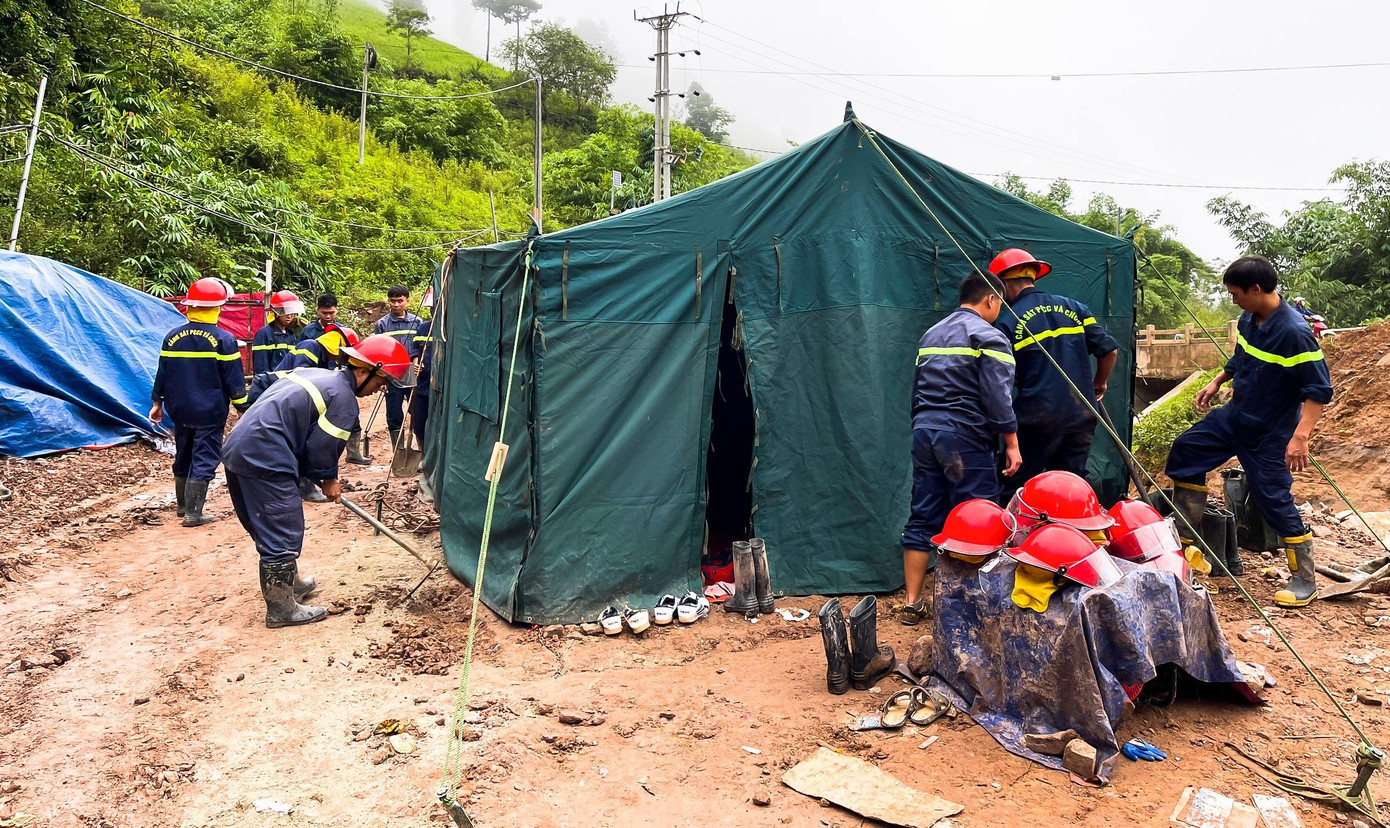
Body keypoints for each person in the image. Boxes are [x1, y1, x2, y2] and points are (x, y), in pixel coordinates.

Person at [1164, 256, 1333, 607]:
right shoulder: (1249, 317)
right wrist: (1217, 381)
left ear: (1256, 289)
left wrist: (1299, 438)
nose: (1233, 300)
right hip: (1236, 416)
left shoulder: (1295, 333)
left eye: (1236, 293)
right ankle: (1185, 536)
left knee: (1272, 497)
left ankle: (1304, 577)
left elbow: (1318, 390)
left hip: (1269, 432)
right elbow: (1242, 356)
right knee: (1187, 449)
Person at [221, 334, 413, 628]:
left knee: (267, 521)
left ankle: (288, 585)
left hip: (240, 448)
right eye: (381, 380)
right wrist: (329, 479)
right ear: (363, 370)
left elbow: (268, 386)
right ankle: (281, 610)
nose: (381, 388)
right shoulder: (343, 399)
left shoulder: (317, 374)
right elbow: (321, 448)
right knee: (282, 525)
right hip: (265, 456)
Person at [898, 271, 1022, 626]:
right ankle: (973, 606)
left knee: (922, 514)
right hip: (965, 435)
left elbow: (916, 391)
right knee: (977, 514)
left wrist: (922, 426)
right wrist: (1012, 443)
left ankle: (912, 603)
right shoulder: (989, 336)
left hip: (925, 431)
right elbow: (999, 398)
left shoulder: (930, 334)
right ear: (991, 300)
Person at [990, 248, 1118, 498]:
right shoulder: (1075, 308)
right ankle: (1069, 534)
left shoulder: (1008, 322)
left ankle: (1021, 535)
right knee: (1069, 489)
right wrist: (1099, 383)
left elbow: (1003, 379)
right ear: (1033, 277)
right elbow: (1109, 350)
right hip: (1081, 415)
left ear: (1004, 284)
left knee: (1018, 489)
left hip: (1037, 417)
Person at [149, 277, 248, 527]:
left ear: (190, 306)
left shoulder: (171, 337)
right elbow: (234, 381)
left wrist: (157, 402)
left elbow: (162, 372)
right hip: (209, 411)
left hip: (179, 408)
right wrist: (242, 407)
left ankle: (183, 506)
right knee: (205, 455)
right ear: (218, 307)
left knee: (184, 452)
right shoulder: (224, 340)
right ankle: (194, 513)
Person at [272, 323, 372, 476]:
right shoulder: (310, 346)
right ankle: (303, 478)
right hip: (286, 396)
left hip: (294, 397)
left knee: (351, 416)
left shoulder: (323, 357)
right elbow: (303, 375)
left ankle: (353, 453)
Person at [373, 285, 422, 450]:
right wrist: (380, 378)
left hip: (412, 373)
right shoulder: (382, 324)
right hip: (391, 374)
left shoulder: (418, 322)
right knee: (394, 413)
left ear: (407, 301)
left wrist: (420, 363)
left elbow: (422, 348)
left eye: (400, 301)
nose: (396, 304)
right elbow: (377, 352)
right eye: (392, 301)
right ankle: (398, 451)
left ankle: (421, 447)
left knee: (417, 410)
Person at [249, 290, 304, 374]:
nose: (289, 316)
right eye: (284, 311)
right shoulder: (264, 334)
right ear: (276, 312)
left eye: (291, 312)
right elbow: (261, 366)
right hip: (272, 383)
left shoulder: (290, 335)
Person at [409, 314, 435, 456]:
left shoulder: (454, 328)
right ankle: (424, 455)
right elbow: (414, 349)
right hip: (423, 385)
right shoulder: (424, 328)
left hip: (443, 389)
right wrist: (416, 362)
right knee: (419, 424)